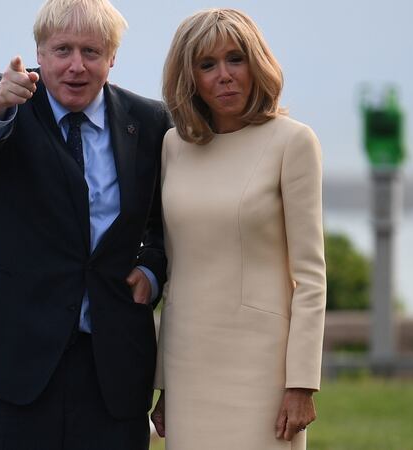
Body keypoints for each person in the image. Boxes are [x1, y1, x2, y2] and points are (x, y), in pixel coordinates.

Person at [0, 0, 172, 448]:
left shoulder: (150, 122)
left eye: (91, 53)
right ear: (39, 53)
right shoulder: (4, 101)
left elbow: (164, 223)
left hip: (109, 367)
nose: (76, 66)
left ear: (112, 58)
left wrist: (152, 270)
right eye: (62, 50)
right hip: (5, 364)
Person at [149, 8, 326, 450]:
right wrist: (165, 385)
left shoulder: (293, 141)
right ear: (189, 77)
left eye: (235, 59)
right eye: (207, 65)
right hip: (189, 365)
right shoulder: (174, 146)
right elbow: (177, 273)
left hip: (262, 369)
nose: (224, 75)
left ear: (256, 64)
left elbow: (310, 278)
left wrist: (301, 384)